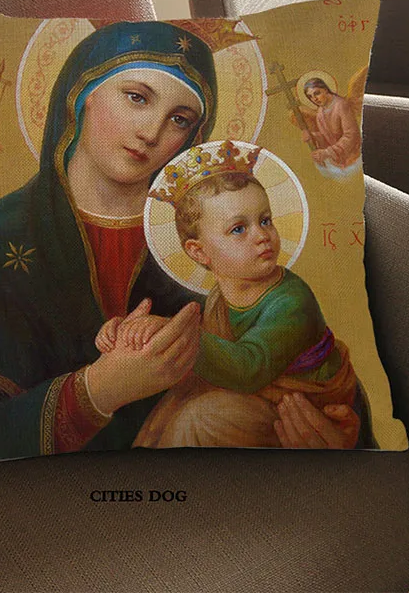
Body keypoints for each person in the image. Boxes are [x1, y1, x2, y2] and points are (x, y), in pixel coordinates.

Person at [0, 22, 361, 470]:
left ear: (192, 138)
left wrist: (336, 434)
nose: (151, 132)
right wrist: (99, 390)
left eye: (179, 119)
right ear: (81, 94)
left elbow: (299, 360)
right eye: (137, 98)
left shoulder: (216, 244)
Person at [95, 144, 362, 448]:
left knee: (198, 418)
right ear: (198, 252)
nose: (262, 235)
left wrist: (170, 332)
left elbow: (248, 368)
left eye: (265, 220)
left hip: (299, 410)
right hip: (257, 400)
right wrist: (131, 336)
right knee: (173, 409)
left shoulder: (292, 301)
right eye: (238, 229)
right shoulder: (220, 298)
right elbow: (214, 353)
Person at [298, 77, 362, 177]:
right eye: (310, 97)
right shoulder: (320, 112)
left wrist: (327, 152)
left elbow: (351, 136)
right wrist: (313, 136)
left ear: (325, 89)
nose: (314, 99)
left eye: (317, 93)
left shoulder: (341, 105)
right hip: (339, 161)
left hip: (355, 157)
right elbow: (327, 137)